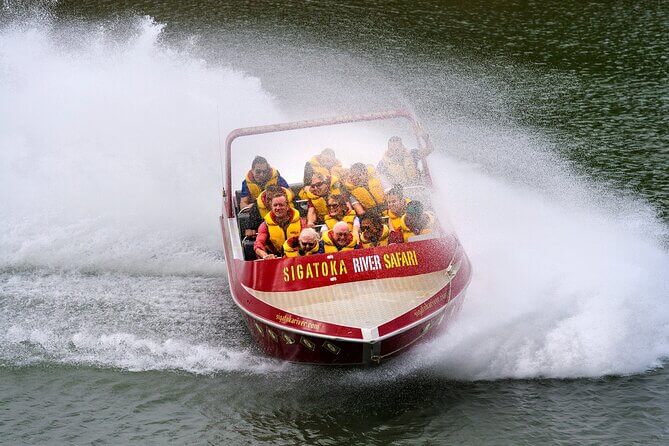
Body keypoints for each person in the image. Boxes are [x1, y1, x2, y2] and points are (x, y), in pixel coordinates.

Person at [254, 194, 304, 259]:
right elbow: (258, 245)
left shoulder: (301, 222)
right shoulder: (265, 225)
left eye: (281, 205)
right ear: (271, 207)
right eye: (275, 205)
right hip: (277, 259)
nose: (278, 208)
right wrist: (265, 256)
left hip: (299, 257)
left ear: (287, 206)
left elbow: (309, 240)